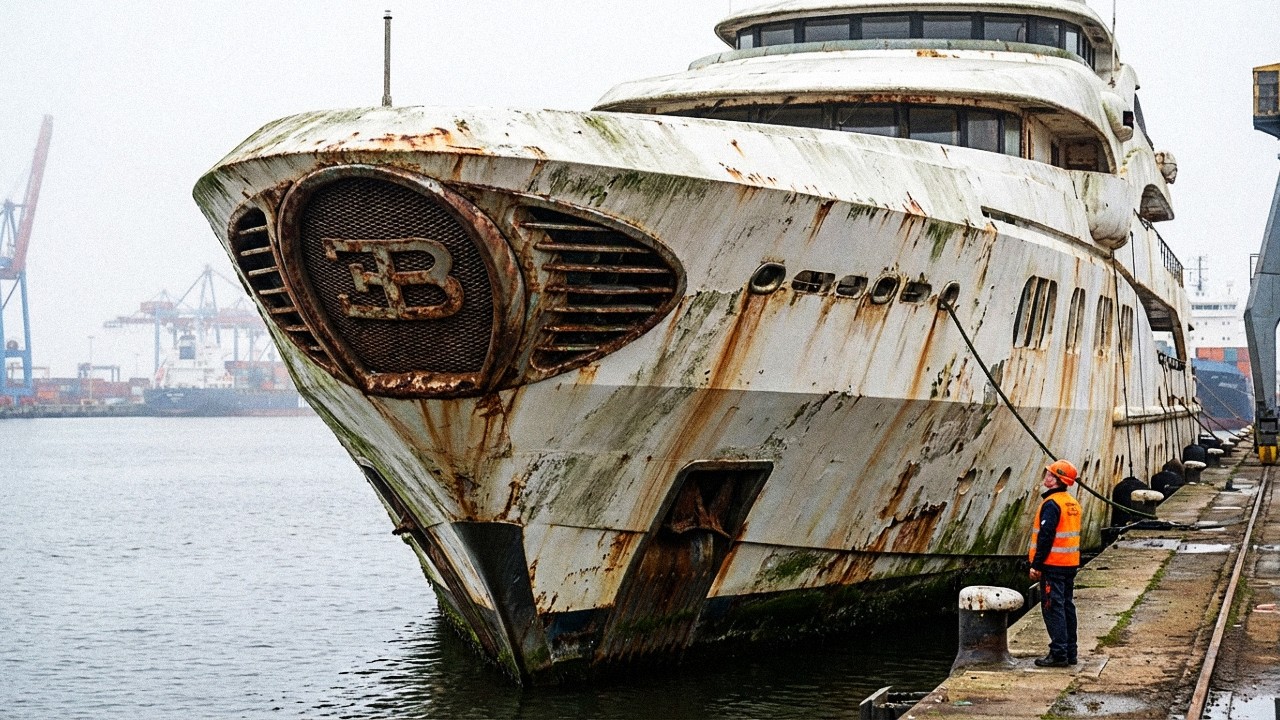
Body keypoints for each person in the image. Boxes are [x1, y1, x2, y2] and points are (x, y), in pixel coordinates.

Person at [1029, 459, 1082, 668]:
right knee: (1067, 605)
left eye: (1050, 474)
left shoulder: (1051, 504)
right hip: (1070, 564)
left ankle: (1058, 653)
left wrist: (1036, 564)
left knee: (1053, 608)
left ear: (1057, 480)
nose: (1046, 476)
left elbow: (1046, 536)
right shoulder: (1072, 503)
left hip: (1053, 565)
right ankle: (1071, 651)